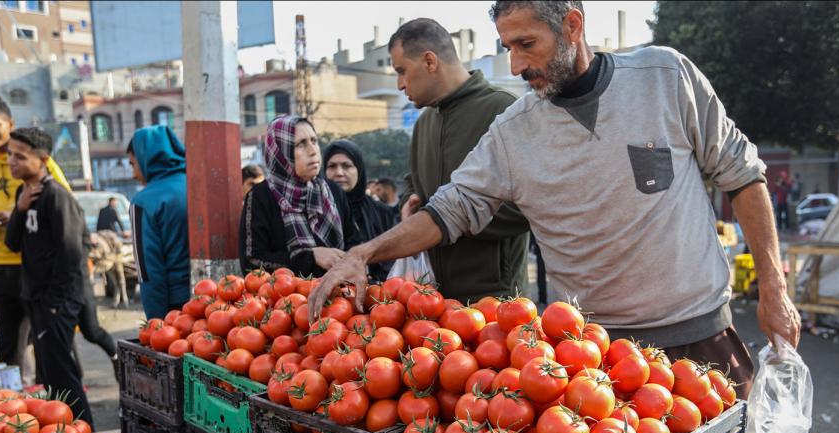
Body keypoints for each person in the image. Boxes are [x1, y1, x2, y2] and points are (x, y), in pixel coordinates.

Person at [312, 1, 802, 398]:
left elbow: (743, 176)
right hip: (594, 362)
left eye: (527, 44)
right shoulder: (513, 131)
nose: (516, 64)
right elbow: (450, 208)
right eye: (507, 47)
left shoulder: (665, 77)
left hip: (701, 339)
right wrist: (364, 253)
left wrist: (773, 288)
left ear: (572, 25)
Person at [389, 18, 531, 304]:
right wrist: (411, 199)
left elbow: (530, 204)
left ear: (430, 61)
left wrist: (449, 220)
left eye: (402, 71)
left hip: (496, 301)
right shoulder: (424, 122)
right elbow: (413, 179)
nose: (400, 84)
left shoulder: (505, 110)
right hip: (433, 301)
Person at [0, 96, 70, 373]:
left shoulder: (36, 160)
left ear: (10, 123)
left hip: (34, 264)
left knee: (47, 337)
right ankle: (14, 399)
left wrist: (17, 214)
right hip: (1, 261)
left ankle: (63, 395)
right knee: (7, 340)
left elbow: (63, 202)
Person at [3, 128, 93, 425]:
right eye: (9, 155)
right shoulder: (23, 194)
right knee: (50, 375)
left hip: (57, 301)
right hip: (36, 298)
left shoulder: (57, 196)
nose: (11, 161)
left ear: (42, 159)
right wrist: (19, 209)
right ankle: (63, 432)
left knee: (62, 373)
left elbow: (71, 255)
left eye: (19, 156)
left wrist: (55, 303)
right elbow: (12, 243)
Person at [239, 115, 362, 276]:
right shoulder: (261, 196)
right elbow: (252, 261)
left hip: (339, 294)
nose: (313, 151)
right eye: (300, 144)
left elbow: (355, 245)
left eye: (314, 141)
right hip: (286, 297)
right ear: (281, 152)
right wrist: (310, 257)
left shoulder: (332, 191)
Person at [127, 124, 190, 320]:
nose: (134, 174)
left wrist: (156, 324)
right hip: (217, 301)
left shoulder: (144, 202)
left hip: (175, 310)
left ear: (147, 159)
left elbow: (149, 272)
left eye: (133, 164)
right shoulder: (198, 183)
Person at [324, 140, 398, 282]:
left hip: (379, 298)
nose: (339, 173)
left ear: (359, 170)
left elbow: (393, 259)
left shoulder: (382, 213)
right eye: (332, 166)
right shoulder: (314, 211)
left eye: (347, 166)